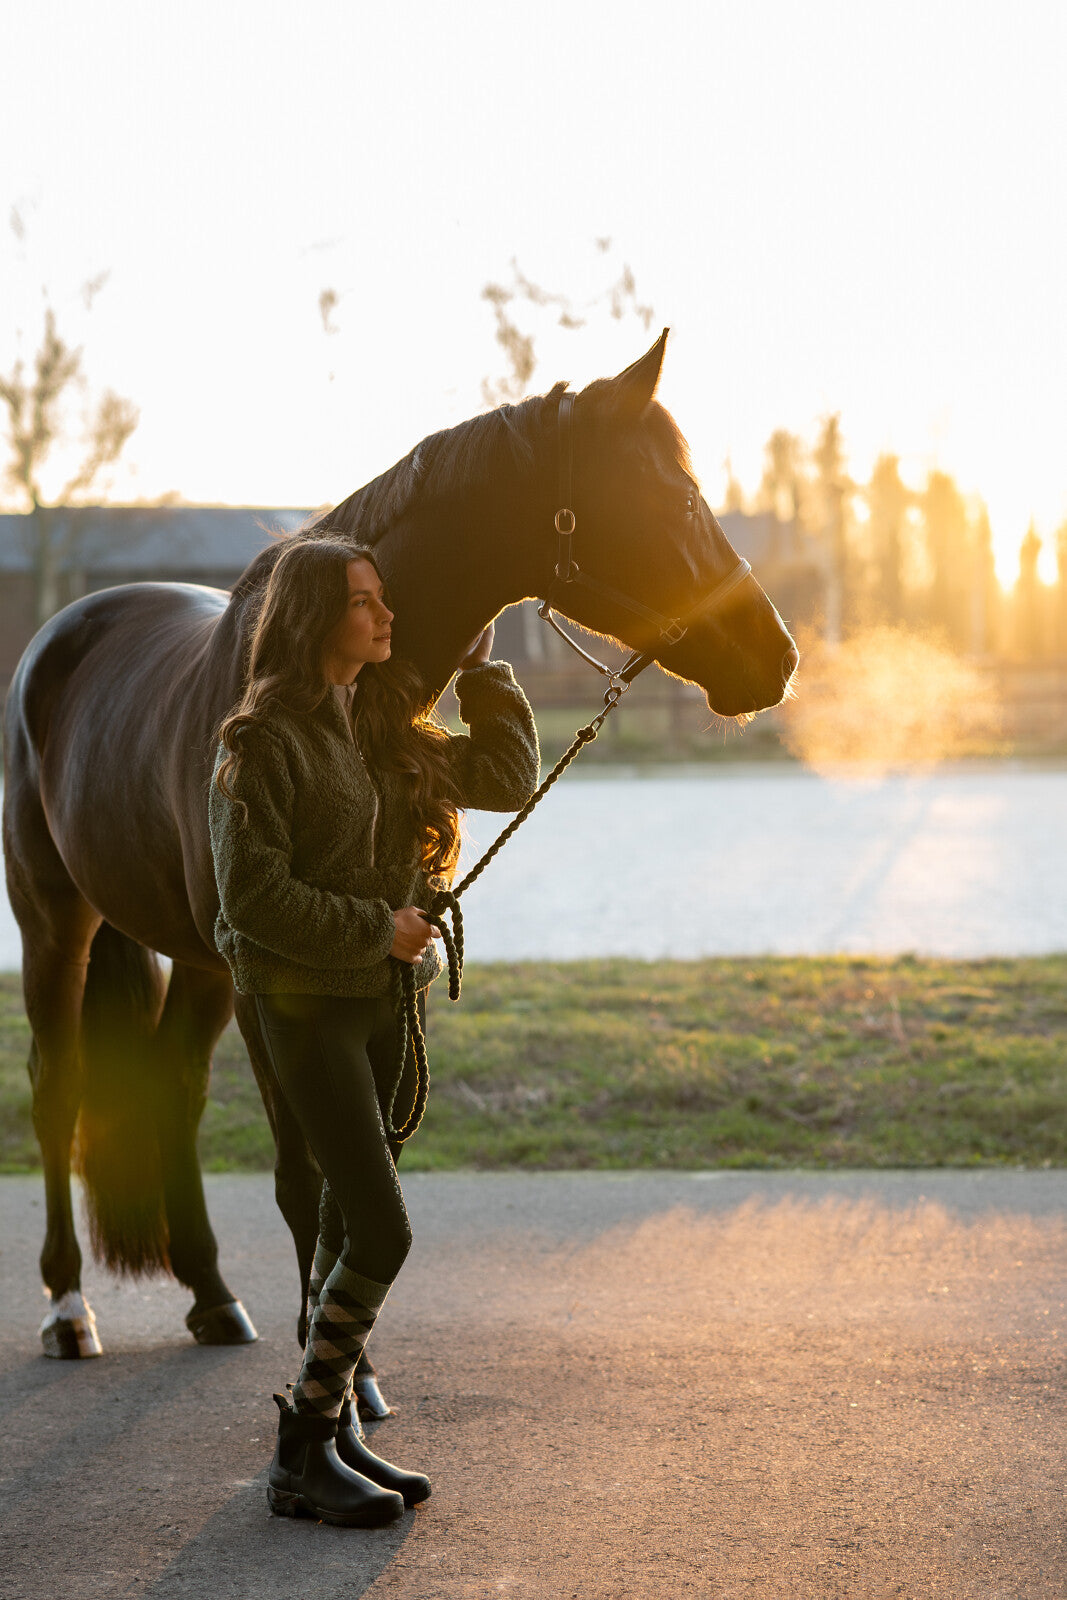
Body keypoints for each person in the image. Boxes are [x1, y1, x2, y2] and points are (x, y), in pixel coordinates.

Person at [208, 535, 539, 1526]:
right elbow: (247, 893)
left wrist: (485, 670)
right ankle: (300, 1450)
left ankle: (335, 1427)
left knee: (345, 1224)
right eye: (362, 601)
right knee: (380, 1226)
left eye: (382, 597)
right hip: (299, 1000)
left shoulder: (386, 723)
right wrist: (376, 927)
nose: (385, 616)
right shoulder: (259, 740)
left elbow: (507, 774)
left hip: (377, 999)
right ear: (316, 617)